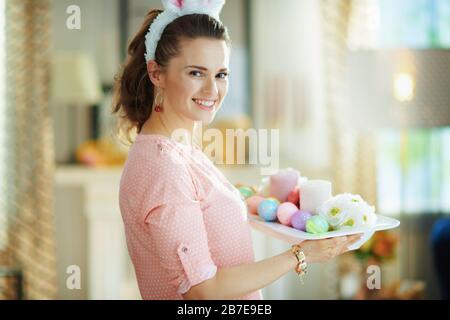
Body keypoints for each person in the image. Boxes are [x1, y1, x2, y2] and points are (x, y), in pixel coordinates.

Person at [113, 0, 361, 300]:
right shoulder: (164, 166)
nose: (212, 91)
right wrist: (300, 255)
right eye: (196, 73)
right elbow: (203, 290)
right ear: (156, 73)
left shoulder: (180, 148)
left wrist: (248, 197)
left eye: (221, 74)